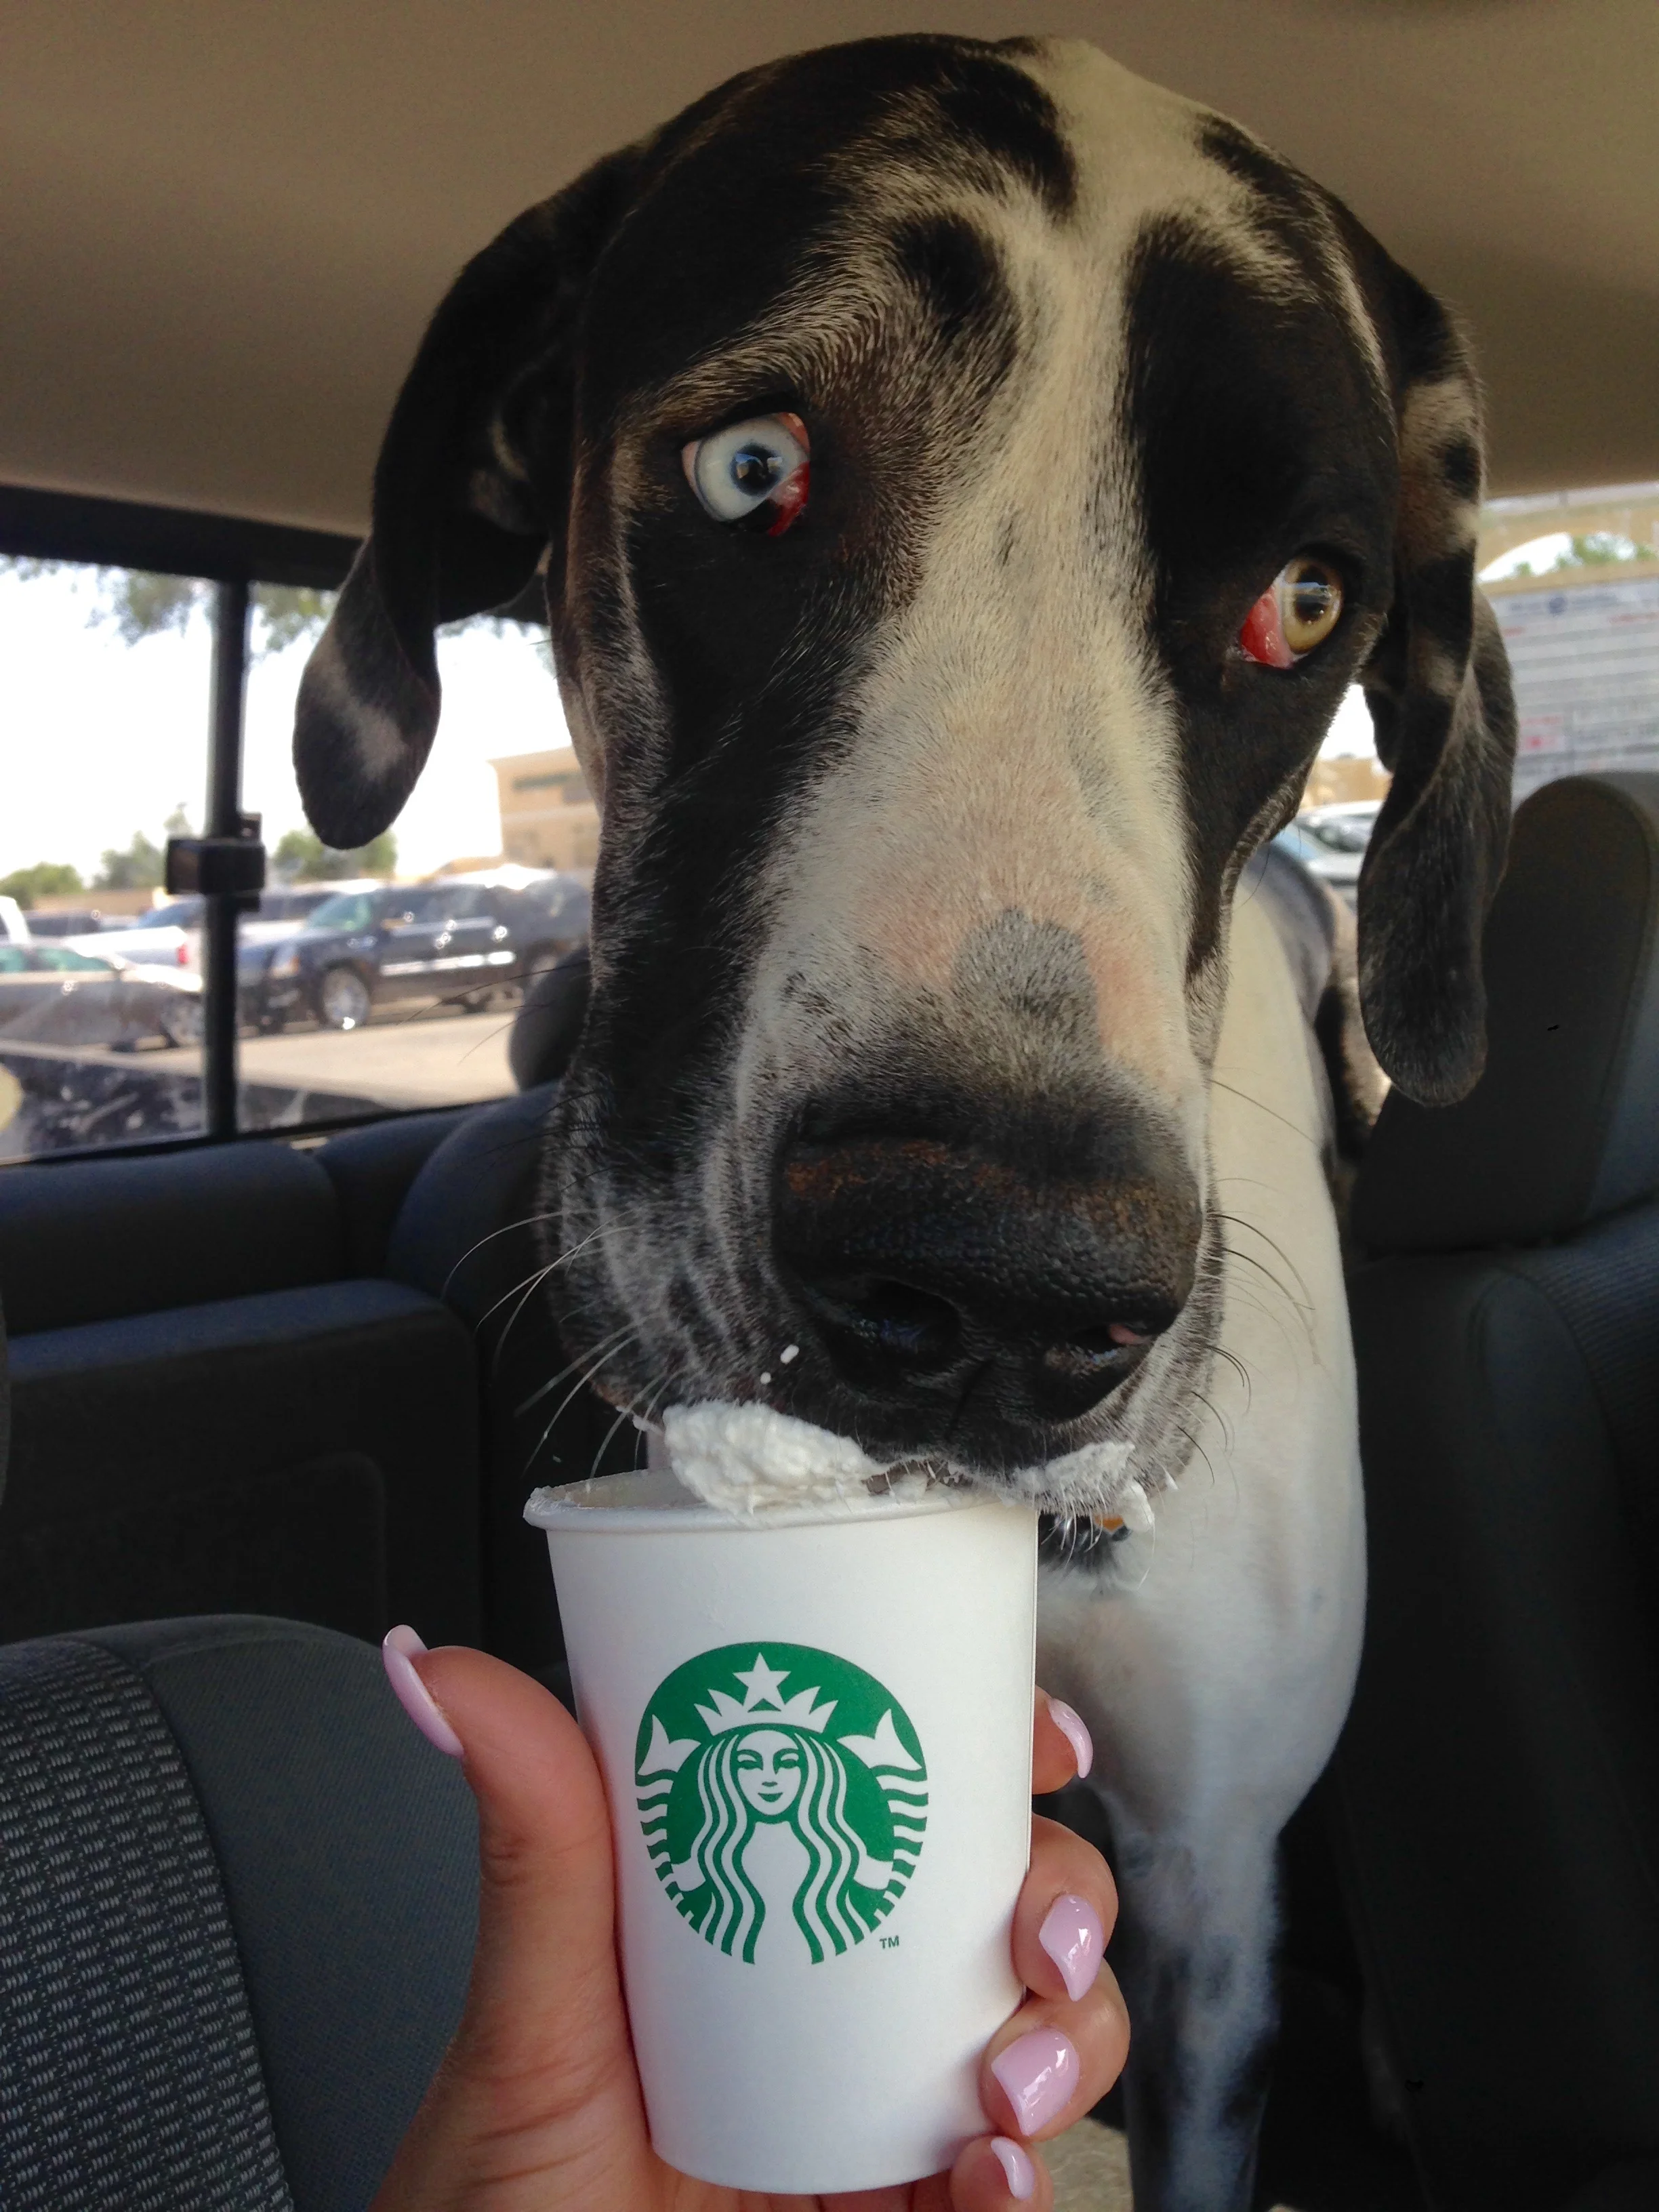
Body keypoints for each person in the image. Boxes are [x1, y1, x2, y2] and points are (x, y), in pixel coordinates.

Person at [375, 1631, 1130, 2209]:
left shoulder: (845, 1868)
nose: (768, 1777)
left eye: (789, 1762)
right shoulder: (715, 1867)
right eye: (746, 1762)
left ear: (822, 1771)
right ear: (717, 1771)